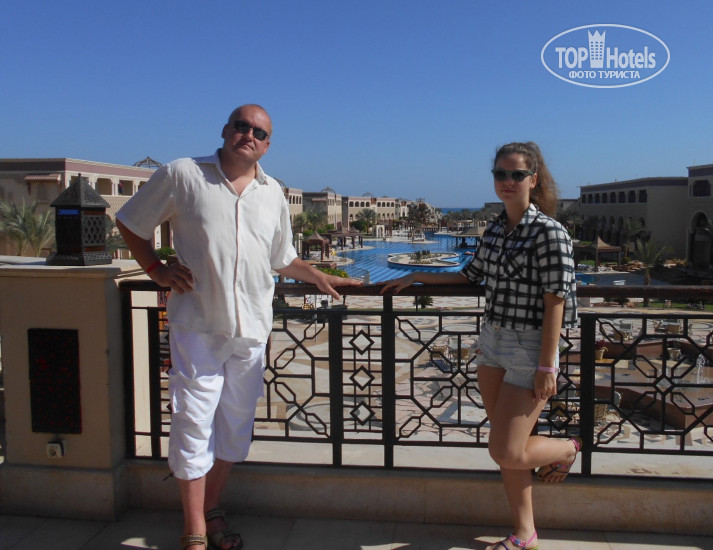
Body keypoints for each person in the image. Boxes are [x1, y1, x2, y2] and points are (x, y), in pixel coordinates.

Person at [116, 104, 362, 550]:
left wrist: (318, 276)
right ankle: (194, 529)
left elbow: (281, 258)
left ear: (267, 145)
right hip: (197, 326)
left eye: (259, 132)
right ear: (226, 130)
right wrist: (155, 269)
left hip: (251, 331)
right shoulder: (183, 174)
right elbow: (130, 221)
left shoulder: (272, 193)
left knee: (234, 427)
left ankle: (211, 509)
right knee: (192, 423)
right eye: (242, 126)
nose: (249, 135)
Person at [380, 142, 578, 550]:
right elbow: (470, 276)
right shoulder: (495, 230)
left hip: (528, 348)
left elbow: (555, 299)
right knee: (509, 448)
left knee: (506, 450)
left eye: (517, 174)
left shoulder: (549, 232)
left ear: (533, 180)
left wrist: (548, 365)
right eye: (500, 174)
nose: (507, 181)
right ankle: (525, 532)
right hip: (492, 343)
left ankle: (567, 448)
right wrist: (417, 276)